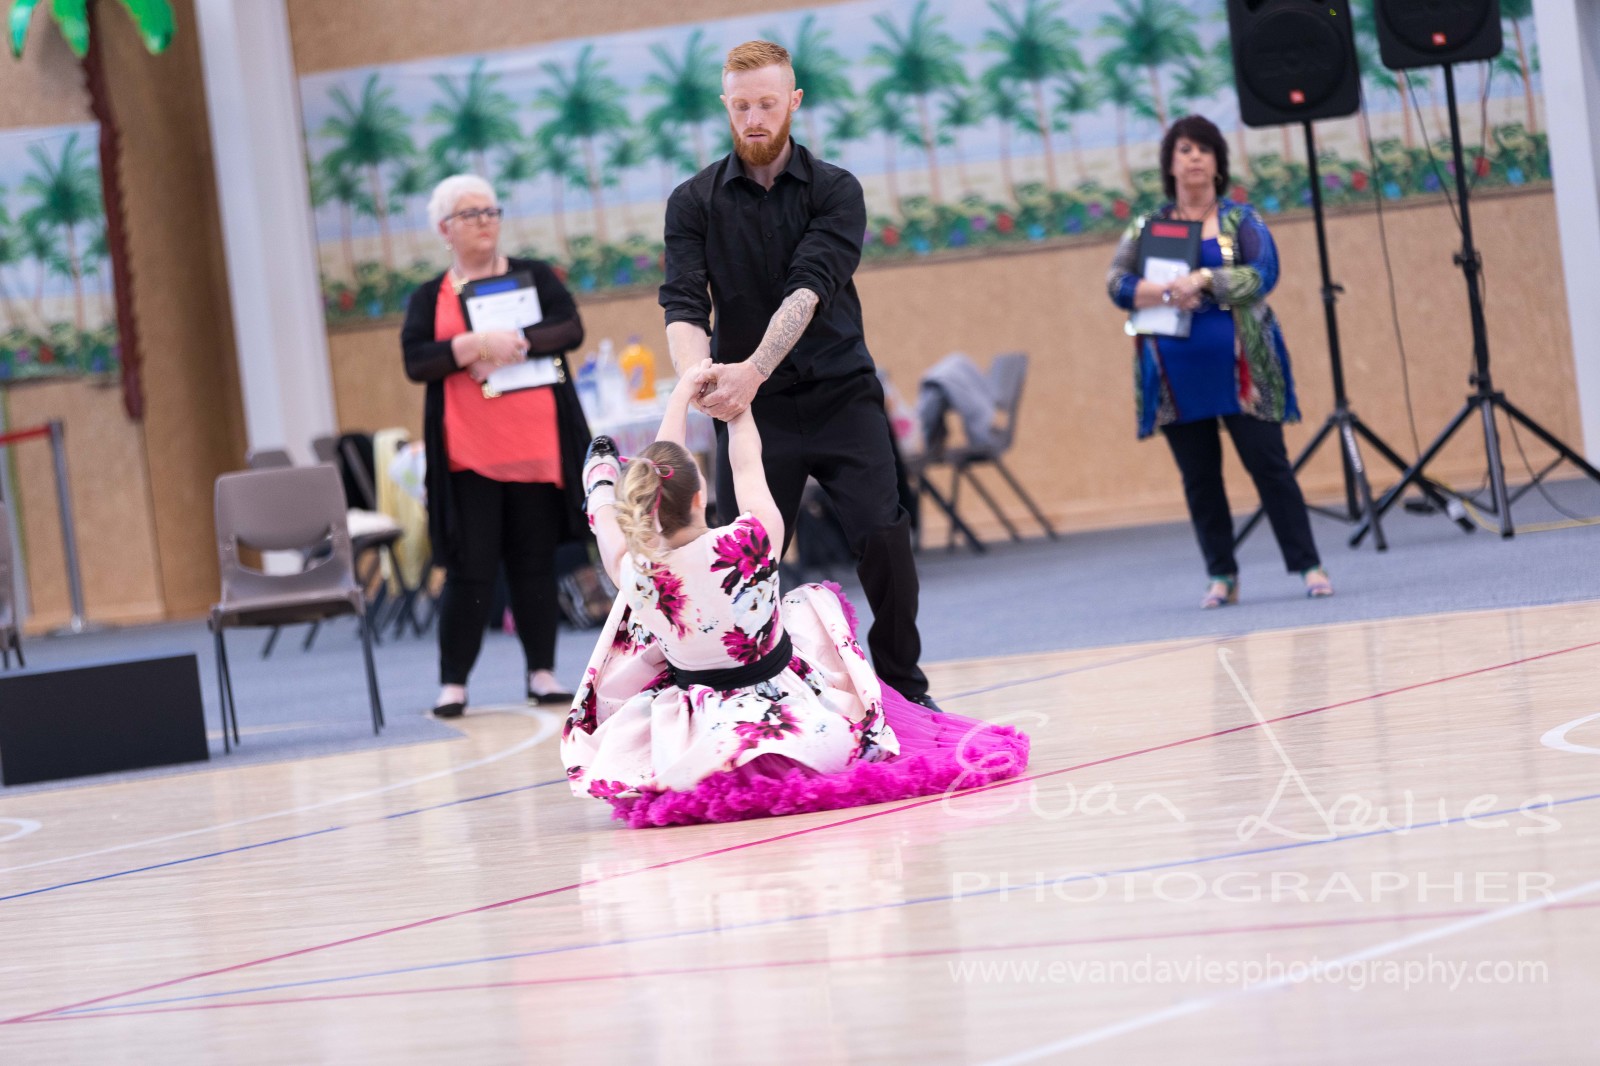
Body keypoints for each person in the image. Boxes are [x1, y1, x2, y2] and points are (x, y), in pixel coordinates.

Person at [561, 370, 1029, 827]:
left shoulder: (633, 569)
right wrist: (738, 408)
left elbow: (614, 514)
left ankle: (609, 480)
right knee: (810, 607)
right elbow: (746, 464)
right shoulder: (750, 538)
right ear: (700, 496)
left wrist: (603, 477)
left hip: (698, 741)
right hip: (788, 713)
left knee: (639, 635)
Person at [657, 40, 942, 710]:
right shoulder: (692, 201)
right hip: (752, 414)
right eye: (741, 106)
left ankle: (903, 687)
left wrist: (750, 370)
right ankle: (754, 695)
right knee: (743, 557)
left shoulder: (836, 190)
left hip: (841, 392)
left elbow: (807, 290)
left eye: (767, 103)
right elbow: (684, 303)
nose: (754, 117)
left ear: (794, 102)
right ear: (725, 106)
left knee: (882, 534)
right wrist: (698, 378)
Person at [1106, 115, 1334, 609]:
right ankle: (1221, 575)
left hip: (1244, 372)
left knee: (1270, 467)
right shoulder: (1147, 227)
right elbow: (1117, 284)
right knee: (1200, 479)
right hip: (1175, 376)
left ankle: (1309, 565)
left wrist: (1205, 280)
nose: (1194, 158)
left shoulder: (1242, 220)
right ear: (1170, 164)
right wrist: (1166, 291)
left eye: (1204, 150)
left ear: (1218, 163)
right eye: (1185, 150)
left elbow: (1263, 273)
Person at [401, 174, 591, 717]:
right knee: (471, 569)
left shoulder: (535, 275)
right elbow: (417, 360)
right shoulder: (430, 296)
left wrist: (519, 342)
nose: (485, 222)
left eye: (491, 211)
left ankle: (543, 673)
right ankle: (453, 684)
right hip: (469, 457)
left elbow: (569, 329)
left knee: (535, 566)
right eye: (471, 214)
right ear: (445, 229)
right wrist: (471, 345)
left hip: (538, 450)